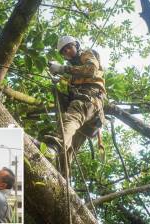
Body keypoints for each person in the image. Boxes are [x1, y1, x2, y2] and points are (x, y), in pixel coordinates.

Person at [46, 35, 106, 176]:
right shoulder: (73, 71)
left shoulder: (87, 54)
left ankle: (53, 146)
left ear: (76, 45)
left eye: (69, 47)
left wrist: (63, 69)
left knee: (72, 117)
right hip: (88, 120)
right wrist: (60, 80)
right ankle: (62, 180)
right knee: (68, 150)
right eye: (64, 51)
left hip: (89, 100)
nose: (67, 51)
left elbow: (91, 70)